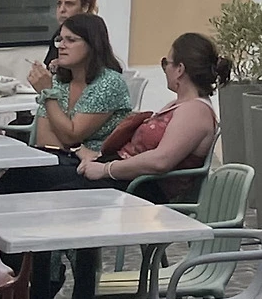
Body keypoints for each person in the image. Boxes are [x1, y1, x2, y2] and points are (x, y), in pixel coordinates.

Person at [77, 32, 226, 201]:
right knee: (58, 174)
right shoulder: (180, 105)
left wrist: (106, 169)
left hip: (137, 190)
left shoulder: (195, 111)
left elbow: (161, 161)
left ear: (180, 69)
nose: (165, 70)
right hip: (125, 181)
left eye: (166, 63)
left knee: (58, 188)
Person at [0, 14, 131, 193]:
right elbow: (45, 138)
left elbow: (72, 135)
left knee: (24, 179)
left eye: (71, 40)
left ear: (92, 44)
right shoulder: (59, 81)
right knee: (17, 175)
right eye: (60, 39)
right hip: (64, 158)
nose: (61, 46)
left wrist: (48, 94)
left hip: (95, 166)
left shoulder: (109, 82)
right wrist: (77, 148)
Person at [42, 0, 98, 69]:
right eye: (59, 4)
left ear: (85, 8)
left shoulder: (94, 34)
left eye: (69, 4)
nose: (62, 9)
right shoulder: (58, 33)